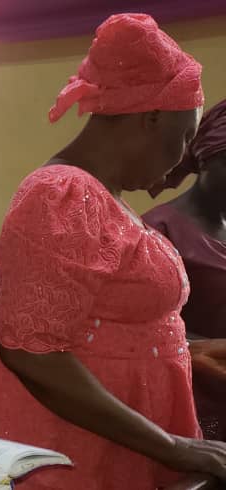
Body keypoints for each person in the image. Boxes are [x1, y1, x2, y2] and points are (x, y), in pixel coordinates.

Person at [0, 14, 226, 488]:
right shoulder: (60, 196)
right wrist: (172, 447)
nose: (182, 159)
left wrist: (189, 350)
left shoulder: (106, 197)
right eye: (186, 136)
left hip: (123, 431)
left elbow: (112, 326)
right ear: (151, 117)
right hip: (62, 443)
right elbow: (32, 355)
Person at [144, 99, 226, 440]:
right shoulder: (157, 232)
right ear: (207, 158)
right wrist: (209, 347)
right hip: (191, 398)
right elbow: (142, 331)